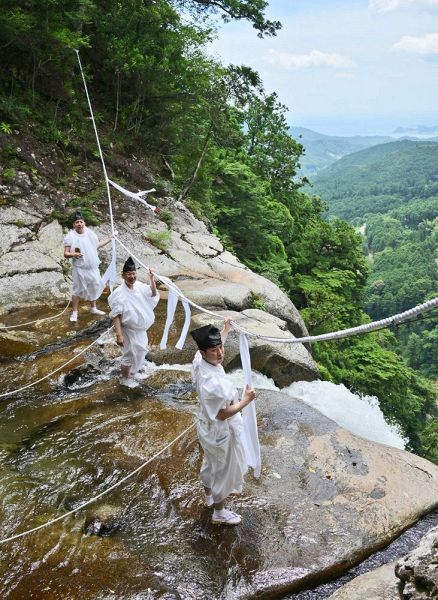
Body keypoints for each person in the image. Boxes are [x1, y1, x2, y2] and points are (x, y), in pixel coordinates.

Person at [191, 318, 256, 525]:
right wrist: (245, 401)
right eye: (214, 350)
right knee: (223, 469)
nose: (220, 353)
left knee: (211, 462)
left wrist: (225, 330)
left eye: (220, 348)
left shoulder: (199, 361)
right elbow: (222, 414)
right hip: (218, 430)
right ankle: (219, 512)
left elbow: (213, 345)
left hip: (206, 427)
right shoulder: (213, 383)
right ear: (203, 353)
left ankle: (209, 496)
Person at [108, 256, 159, 378]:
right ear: (123, 275)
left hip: (141, 330)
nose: (132, 277)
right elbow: (116, 316)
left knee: (140, 352)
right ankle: (125, 379)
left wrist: (151, 278)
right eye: (129, 274)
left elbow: (153, 293)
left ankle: (132, 373)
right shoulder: (119, 293)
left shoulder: (140, 286)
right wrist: (119, 335)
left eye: (133, 273)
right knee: (129, 355)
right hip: (129, 330)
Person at [63, 210, 112, 322]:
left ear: (84, 222)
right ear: (74, 224)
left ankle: (93, 308)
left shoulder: (90, 233)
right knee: (77, 290)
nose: (79, 224)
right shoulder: (70, 236)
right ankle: (75, 312)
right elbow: (65, 254)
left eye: (81, 221)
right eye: (77, 222)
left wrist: (109, 239)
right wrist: (74, 254)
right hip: (79, 268)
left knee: (94, 286)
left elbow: (97, 245)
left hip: (92, 267)